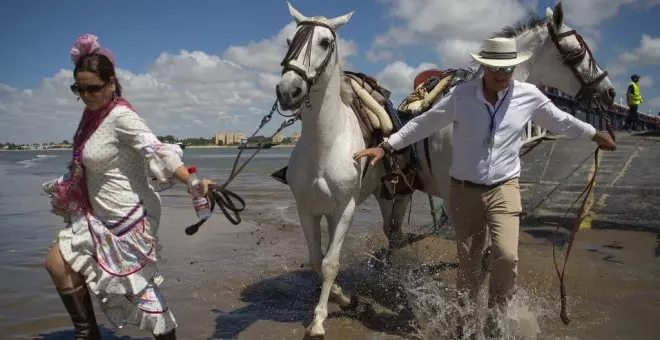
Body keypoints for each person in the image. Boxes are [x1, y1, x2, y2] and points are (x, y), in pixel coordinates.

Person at [353, 37, 616, 321]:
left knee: (506, 255)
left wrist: (593, 134)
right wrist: (386, 146)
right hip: (464, 192)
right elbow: (423, 123)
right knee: (469, 262)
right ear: (485, 66)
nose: (503, 75)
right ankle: (465, 319)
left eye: (508, 69)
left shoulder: (528, 96)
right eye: (496, 69)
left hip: (504, 188)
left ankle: (496, 318)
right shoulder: (461, 96)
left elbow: (560, 119)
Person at [42, 34, 214, 340]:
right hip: (96, 212)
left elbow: (158, 150)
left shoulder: (121, 116)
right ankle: (87, 334)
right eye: (78, 89)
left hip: (127, 217)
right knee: (56, 262)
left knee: (139, 293)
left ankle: (167, 335)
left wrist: (191, 180)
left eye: (92, 88)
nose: (85, 95)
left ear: (111, 84)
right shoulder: (91, 116)